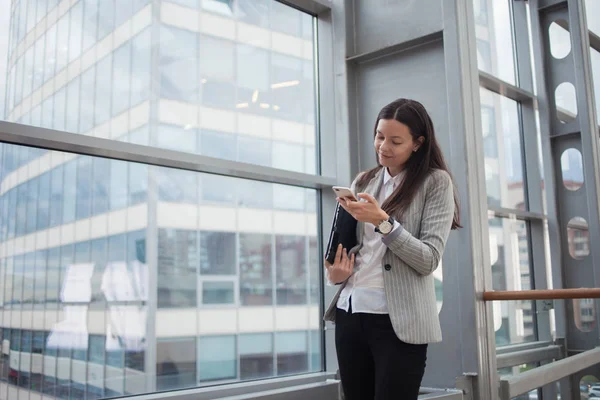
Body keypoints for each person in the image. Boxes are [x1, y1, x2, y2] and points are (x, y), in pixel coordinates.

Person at [323, 98, 461, 400]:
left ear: (417, 143)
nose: (383, 146)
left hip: (397, 320)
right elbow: (347, 242)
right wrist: (335, 270)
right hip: (351, 311)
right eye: (379, 136)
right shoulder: (364, 180)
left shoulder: (436, 183)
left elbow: (429, 260)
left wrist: (384, 222)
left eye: (395, 141)